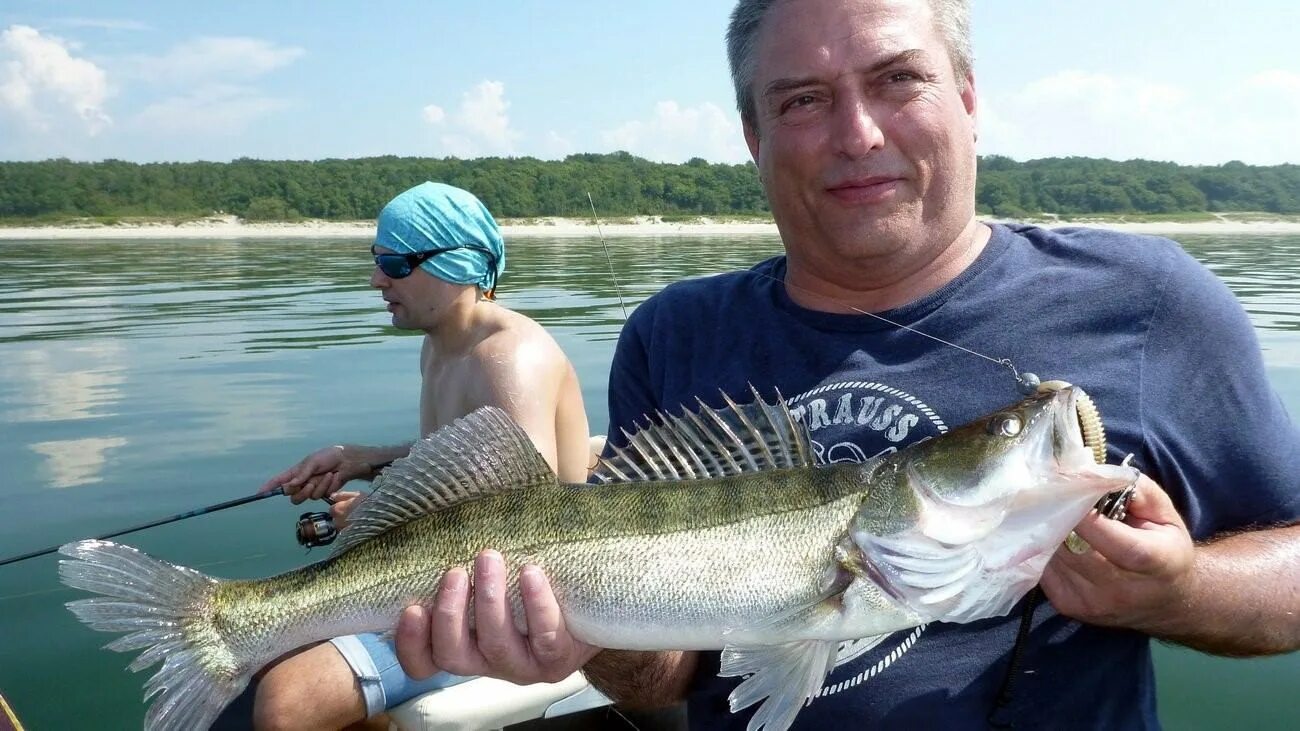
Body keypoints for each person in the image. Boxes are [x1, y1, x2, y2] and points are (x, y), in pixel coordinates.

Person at [389, 0, 1300, 728]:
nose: (857, 132)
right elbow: (661, 676)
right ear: (754, 135)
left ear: (970, 98)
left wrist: (1179, 592)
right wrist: (581, 639)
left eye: (898, 79)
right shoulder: (675, 332)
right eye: (802, 99)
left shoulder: (1144, 300)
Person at [243, 181, 594, 731]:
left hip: (512, 609)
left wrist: (370, 516)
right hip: (446, 575)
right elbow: (462, 457)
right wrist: (364, 458)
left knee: (289, 702)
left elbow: (528, 518)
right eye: (377, 259)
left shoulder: (510, 356)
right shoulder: (440, 343)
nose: (376, 279)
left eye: (396, 262)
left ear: (457, 265)